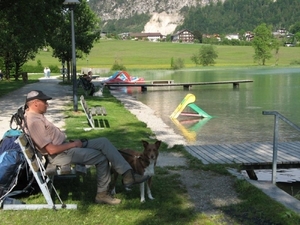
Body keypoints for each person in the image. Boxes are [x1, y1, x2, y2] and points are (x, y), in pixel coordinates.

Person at [24, 90, 149, 205]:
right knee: (101, 157)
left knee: (103, 142)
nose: (47, 104)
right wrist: (72, 144)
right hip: (60, 155)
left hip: (64, 148)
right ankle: (103, 194)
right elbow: (51, 150)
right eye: (44, 101)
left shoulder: (35, 116)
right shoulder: (34, 122)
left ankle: (128, 175)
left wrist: (70, 143)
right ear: (35, 103)